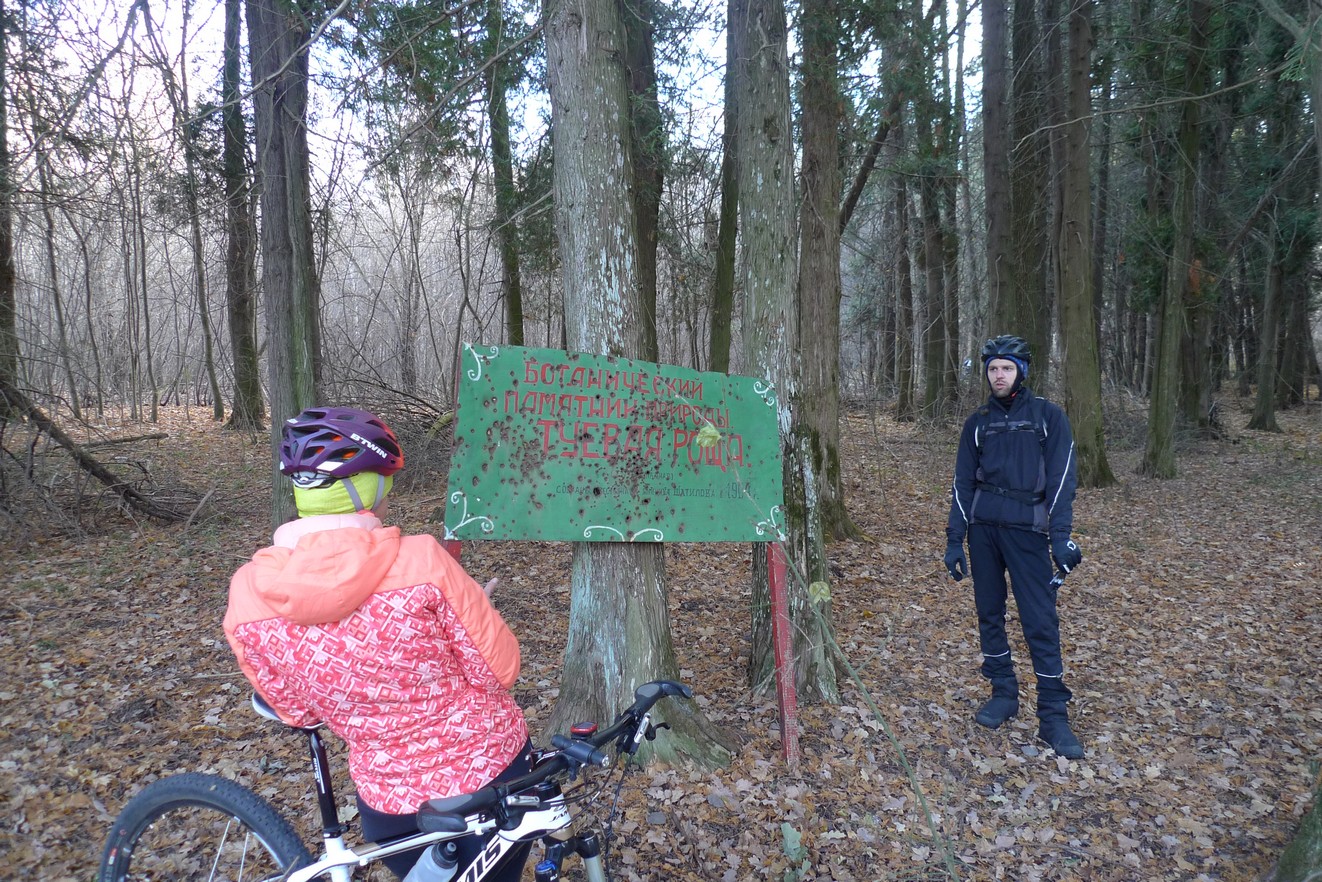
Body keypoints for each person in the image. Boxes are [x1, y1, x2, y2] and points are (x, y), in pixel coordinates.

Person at [224, 406, 533, 880]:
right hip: (489, 781)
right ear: (365, 489)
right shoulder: (424, 561)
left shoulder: (249, 593)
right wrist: (480, 611)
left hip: (388, 809)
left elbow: (296, 712)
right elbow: (499, 671)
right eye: (384, 482)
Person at [943, 336, 1086, 759]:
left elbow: (1063, 480)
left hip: (1028, 533)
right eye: (992, 369)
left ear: (1022, 370)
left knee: (1039, 620)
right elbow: (962, 483)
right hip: (983, 532)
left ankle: (1053, 714)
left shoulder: (1048, 417)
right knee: (989, 613)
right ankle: (1003, 691)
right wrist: (955, 540)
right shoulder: (978, 422)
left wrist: (1060, 537)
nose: (999, 375)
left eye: (1006, 368)